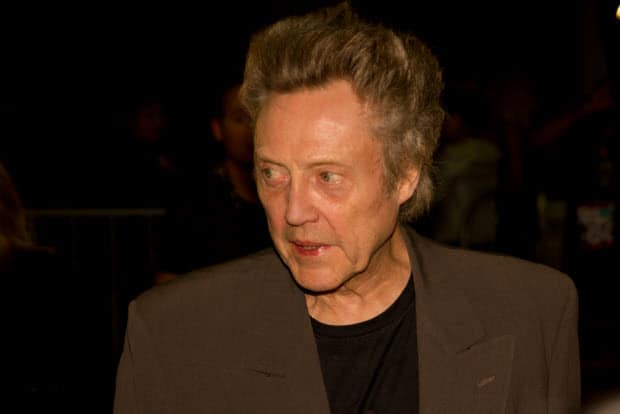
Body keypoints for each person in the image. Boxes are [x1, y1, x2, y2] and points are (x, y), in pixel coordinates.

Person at [114, 4, 580, 413]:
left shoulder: (531, 313)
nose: (293, 212)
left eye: (327, 177)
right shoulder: (173, 336)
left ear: (405, 175)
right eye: (273, 173)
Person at [155, 74, 272, 282]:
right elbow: (167, 281)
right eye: (239, 118)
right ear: (217, 129)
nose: (250, 128)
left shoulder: (286, 199)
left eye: (257, 115)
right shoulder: (195, 202)